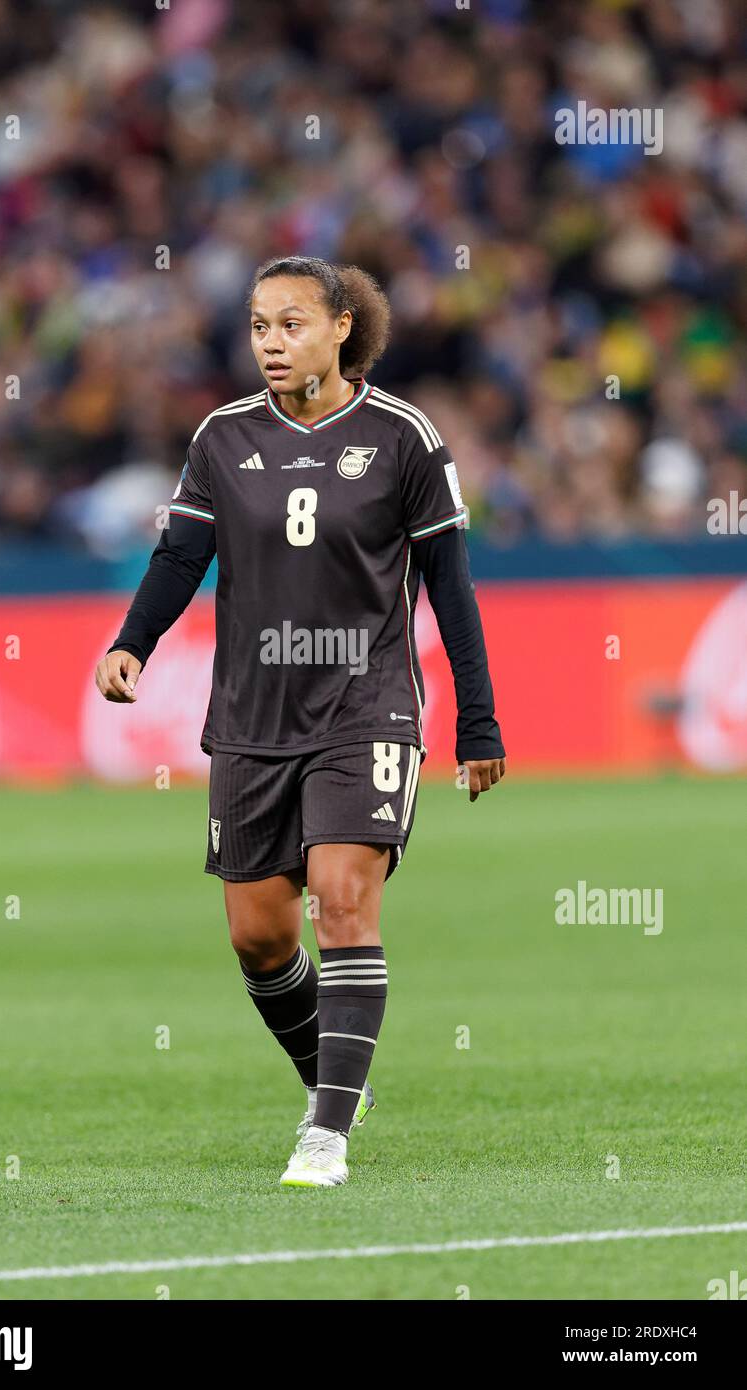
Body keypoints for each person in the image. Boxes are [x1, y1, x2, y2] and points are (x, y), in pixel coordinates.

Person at [95, 255, 506, 1188]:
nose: (271, 344)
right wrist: (133, 642)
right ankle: (336, 1081)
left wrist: (477, 723)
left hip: (366, 707)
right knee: (258, 936)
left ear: (341, 330)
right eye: (258, 327)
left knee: (342, 899)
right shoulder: (222, 437)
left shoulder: (404, 437)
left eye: (290, 325)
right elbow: (179, 556)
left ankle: (325, 1136)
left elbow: (452, 588)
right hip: (251, 714)